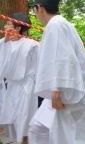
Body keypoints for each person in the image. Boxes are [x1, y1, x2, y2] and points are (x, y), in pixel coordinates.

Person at [28, 0, 85, 144]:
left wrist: (57, 91)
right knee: (38, 128)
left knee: (68, 138)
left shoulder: (56, 25)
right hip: (66, 92)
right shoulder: (61, 24)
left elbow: (64, 60)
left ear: (39, 8)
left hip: (66, 94)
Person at [0, 12, 39, 144]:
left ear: (17, 28)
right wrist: (5, 41)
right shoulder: (2, 43)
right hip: (11, 87)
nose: (5, 26)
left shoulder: (31, 45)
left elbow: (40, 66)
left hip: (26, 87)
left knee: (25, 121)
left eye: (8, 23)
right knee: (11, 120)